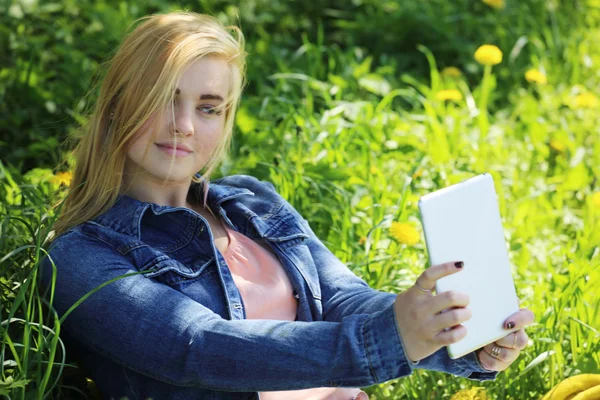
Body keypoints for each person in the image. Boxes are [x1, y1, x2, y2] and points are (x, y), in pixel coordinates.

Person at [39, 11, 534, 400]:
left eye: (209, 107)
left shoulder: (251, 201)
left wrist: (453, 336)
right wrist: (390, 339)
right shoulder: (78, 257)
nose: (184, 125)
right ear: (119, 104)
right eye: (164, 99)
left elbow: (344, 299)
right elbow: (198, 349)